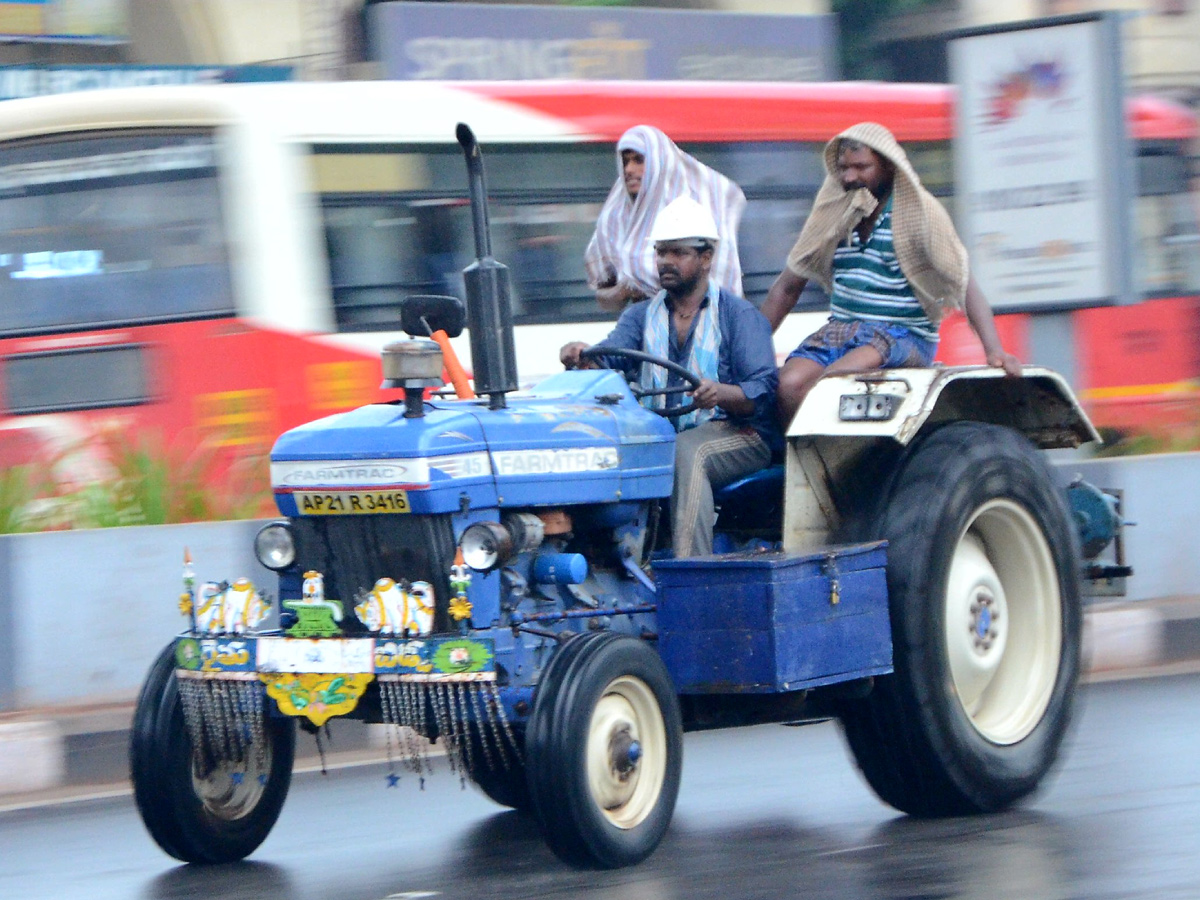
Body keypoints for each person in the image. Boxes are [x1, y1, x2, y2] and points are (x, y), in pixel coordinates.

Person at [760, 122, 1022, 428]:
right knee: (787, 385)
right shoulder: (833, 215)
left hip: (901, 335)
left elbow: (962, 282)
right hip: (841, 330)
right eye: (843, 168)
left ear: (887, 165)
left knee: (830, 384)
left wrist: (994, 351)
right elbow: (787, 288)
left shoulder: (919, 214)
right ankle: (803, 466)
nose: (850, 177)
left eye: (861, 167)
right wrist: (747, 349)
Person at [563, 196, 779, 559]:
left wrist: (721, 393)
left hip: (739, 433)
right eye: (661, 252)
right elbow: (612, 355)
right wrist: (581, 354)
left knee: (686, 452)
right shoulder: (640, 317)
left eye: (678, 253)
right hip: (660, 430)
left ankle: (694, 573)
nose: (665, 261)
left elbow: (762, 393)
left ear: (706, 257)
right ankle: (609, 562)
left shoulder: (739, 316)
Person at [585, 124, 746, 313]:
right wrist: (623, 291)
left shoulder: (697, 210)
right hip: (644, 330)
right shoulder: (615, 218)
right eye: (625, 161)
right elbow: (604, 296)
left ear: (658, 163)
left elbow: (725, 286)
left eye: (639, 160)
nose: (629, 169)